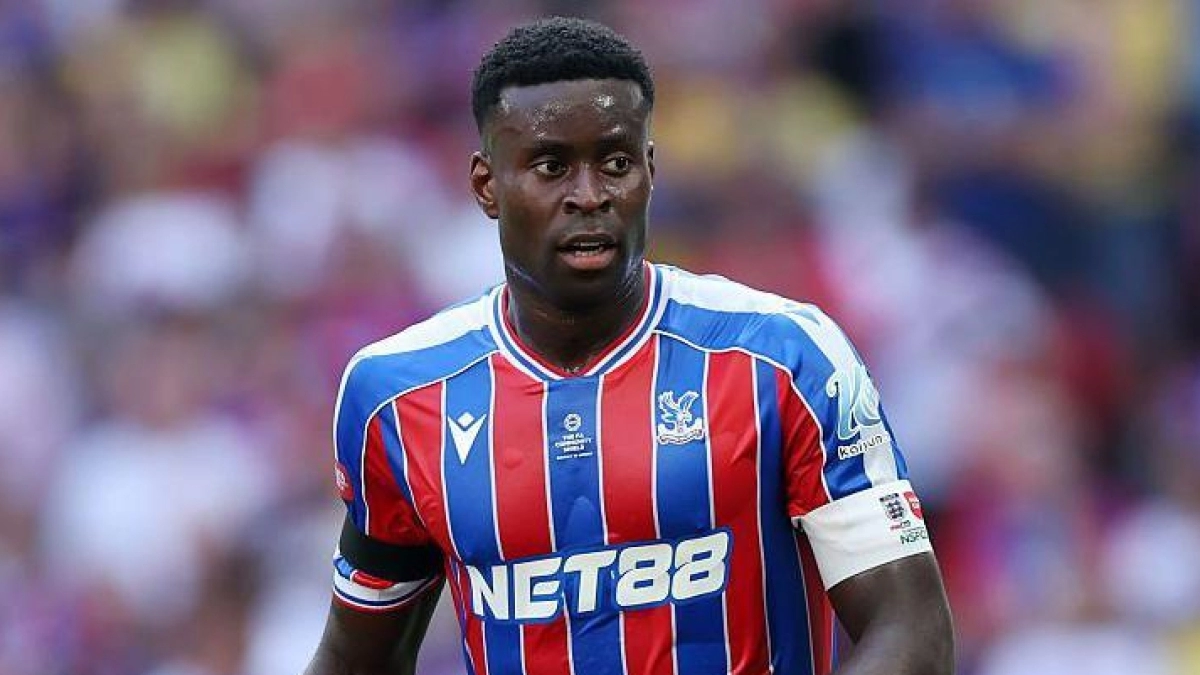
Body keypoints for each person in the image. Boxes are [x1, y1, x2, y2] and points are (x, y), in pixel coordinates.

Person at [303, 16, 954, 675]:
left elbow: (911, 625)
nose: (589, 196)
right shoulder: (398, 395)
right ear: (487, 185)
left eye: (615, 164)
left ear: (649, 171)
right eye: (551, 166)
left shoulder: (784, 357)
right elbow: (354, 659)